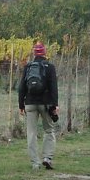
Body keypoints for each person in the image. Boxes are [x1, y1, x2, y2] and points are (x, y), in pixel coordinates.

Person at [18, 41, 59, 170]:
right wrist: (55, 105)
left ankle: (35, 163)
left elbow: (21, 87)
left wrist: (21, 105)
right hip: (46, 103)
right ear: (45, 53)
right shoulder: (50, 67)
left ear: (34, 53)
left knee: (31, 133)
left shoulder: (28, 67)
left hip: (30, 103)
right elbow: (54, 87)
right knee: (49, 130)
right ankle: (47, 157)